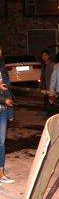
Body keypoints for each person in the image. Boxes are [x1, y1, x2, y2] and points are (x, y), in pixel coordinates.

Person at [0, 47, 14, 185]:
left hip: (3, 110)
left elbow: (8, 91)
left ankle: (1, 173)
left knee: (1, 142)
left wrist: (10, 111)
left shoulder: (2, 69)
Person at [40, 50, 55, 116]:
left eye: (45, 55)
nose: (44, 57)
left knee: (51, 103)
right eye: (42, 56)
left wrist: (53, 88)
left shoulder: (52, 65)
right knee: (47, 102)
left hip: (50, 87)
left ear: (49, 56)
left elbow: (54, 77)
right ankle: (48, 115)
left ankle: (51, 116)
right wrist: (40, 86)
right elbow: (42, 77)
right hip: (45, 87)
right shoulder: (44, 65)